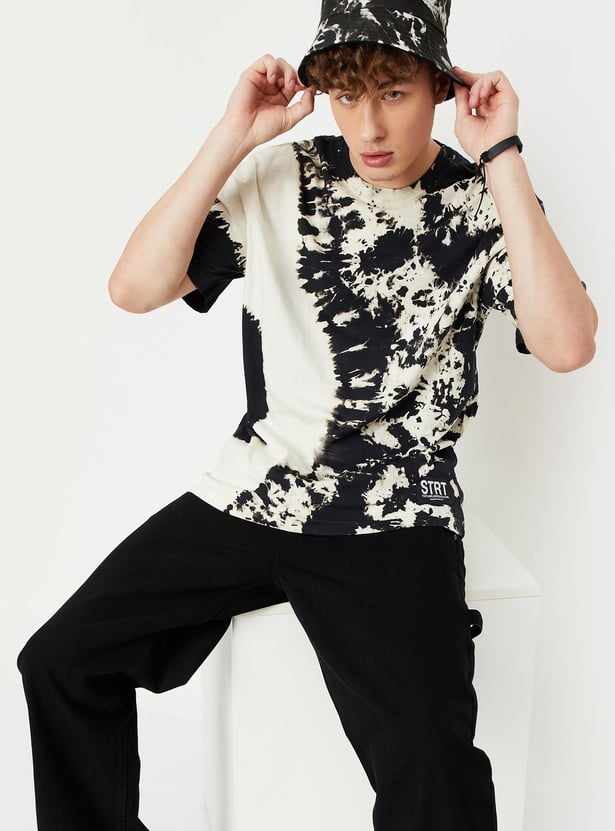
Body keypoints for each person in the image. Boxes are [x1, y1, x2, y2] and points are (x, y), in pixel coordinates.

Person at [17, 1, 598, 829]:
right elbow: (134, 288)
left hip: (394, 513)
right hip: (256, 489)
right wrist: (233, 136)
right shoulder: (283, 175)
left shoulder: (482, 201)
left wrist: (501, 156)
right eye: (347, 95)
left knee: (432, 766)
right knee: (61, 660)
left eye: (393, 93)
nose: (368, 125)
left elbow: (567, 344)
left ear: (440, 87)